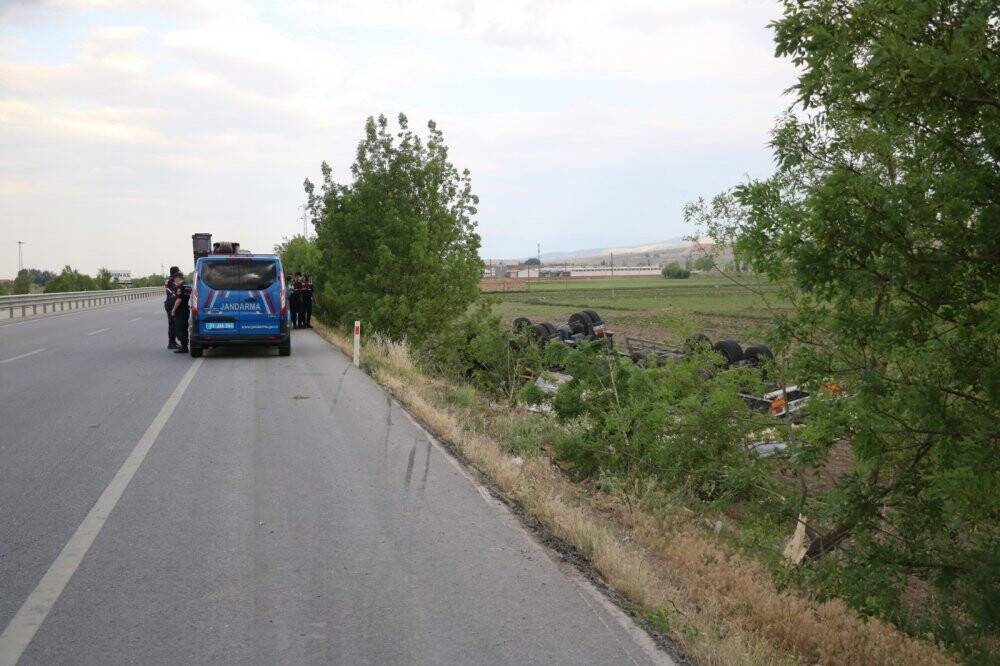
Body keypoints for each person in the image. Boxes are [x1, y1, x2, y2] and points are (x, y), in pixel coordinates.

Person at [170, 272, 191, 354]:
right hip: (186, 309)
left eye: (175, 278)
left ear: (178, 278)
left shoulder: (180, 287)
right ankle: (184, 345)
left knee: (180, 328)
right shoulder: (187, 285)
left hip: (180, 311)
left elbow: (179, 299)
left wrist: (173, 310)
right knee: (184, 328)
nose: (174, 280)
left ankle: (184, 347)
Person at [164, 266, 181, 349]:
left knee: (173, 323)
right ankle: (171, 343)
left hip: (169, 303)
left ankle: (173, 342)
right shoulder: (172, 281)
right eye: (178, 272)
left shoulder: (169, 280)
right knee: (172, 324)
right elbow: (174, 293)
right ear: (175, 272)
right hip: (171, 304)